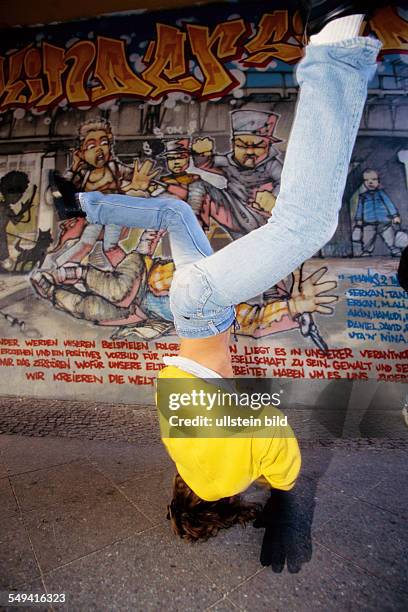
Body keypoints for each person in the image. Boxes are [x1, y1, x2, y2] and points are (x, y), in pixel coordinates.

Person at [49, 1, 382, 559]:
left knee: (306, 224)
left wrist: (286, 502)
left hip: (200, 305)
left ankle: (335, 46)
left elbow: (267, 424)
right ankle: (81, 202)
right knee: (177, 215)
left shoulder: (220, 476)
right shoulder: (184, 457)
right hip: (195, 307)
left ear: (219, 505)